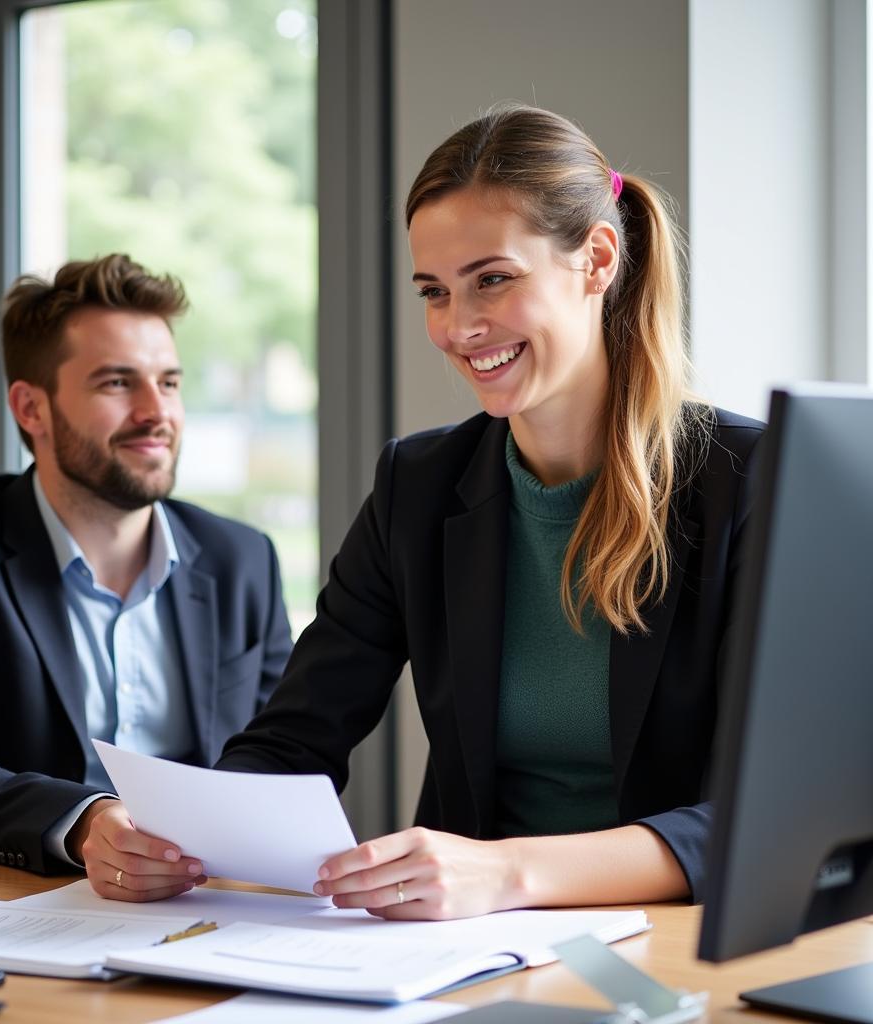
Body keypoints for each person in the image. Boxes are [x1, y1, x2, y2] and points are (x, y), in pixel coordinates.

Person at [81, 106, 763, 916]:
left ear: (597, 260)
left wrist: (508, 874)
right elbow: (293, 738)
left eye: (493, 279)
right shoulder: (422, 483)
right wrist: (174, 831)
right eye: (434, 292)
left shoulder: (748, 483)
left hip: (680, 947)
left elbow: (764, 819)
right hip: (457, 957)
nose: (459, 326)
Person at [0, 253, 293, 884]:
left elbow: (283, 757)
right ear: (31, 409)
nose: (155, 412)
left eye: (168, 382)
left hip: (207, 902)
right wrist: (84, 821)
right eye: (117, 383)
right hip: (21, 900)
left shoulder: (242, 559)